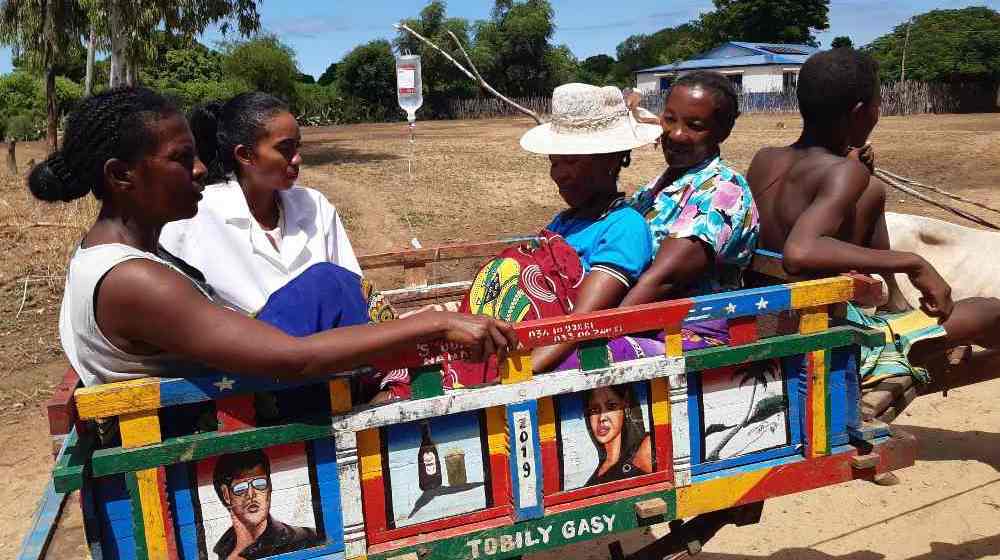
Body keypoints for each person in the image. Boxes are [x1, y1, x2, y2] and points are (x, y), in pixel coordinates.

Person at [31, 87, 516, 389]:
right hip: (227, 423)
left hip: (230, 399)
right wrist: (429, 322)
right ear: (121, 176)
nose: (200, 170)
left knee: (328, 285)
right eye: (180, 159)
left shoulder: (133, 255)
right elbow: (295, 359)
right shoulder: (132, 278)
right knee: (326, 283)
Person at [745, 48, 1000, 384]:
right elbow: (800, 252)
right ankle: (917, 341)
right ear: (861, 112)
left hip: (765, 323)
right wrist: (912, 262)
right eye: (879, 104)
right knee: (990, 310)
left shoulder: (765, 159)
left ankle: (897, 310)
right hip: (828, 344)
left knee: (873, 190)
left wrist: (856, 171)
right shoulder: (845, 174)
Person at [448, 83, 661, 385]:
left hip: (553, 360)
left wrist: (526, 371)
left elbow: (583, 319)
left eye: (571, 161)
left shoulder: (625, 227)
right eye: (554, 161)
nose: (558, 174)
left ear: (611, 159)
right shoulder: (563, 222)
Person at [159, 92, 359, 316]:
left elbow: (351, 290)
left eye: (298, 147)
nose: (297, 159)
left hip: (333, 345)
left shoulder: (314, 205)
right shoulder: (193, 217)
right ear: (245, 155)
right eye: (285, 149)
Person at [623, 71, 760, 350]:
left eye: (694, 125)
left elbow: (663, 280)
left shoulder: (724, 191)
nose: (676, 134)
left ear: (722, 132)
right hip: (646, 323)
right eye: (670, 119)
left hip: (689, 333)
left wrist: (593, 334)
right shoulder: (656, 188)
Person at [212, 450, 320, 559]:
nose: (251, 495)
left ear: (269, 487)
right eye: (241, 488)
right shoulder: (222, 550)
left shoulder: (306, 539)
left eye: (260, 484)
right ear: (226, 495)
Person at [584, 385, 652, 486]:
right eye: (594, 410)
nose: (602, 418)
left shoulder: (644, 448)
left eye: (611, 406)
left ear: (625, 407)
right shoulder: (594, 477)